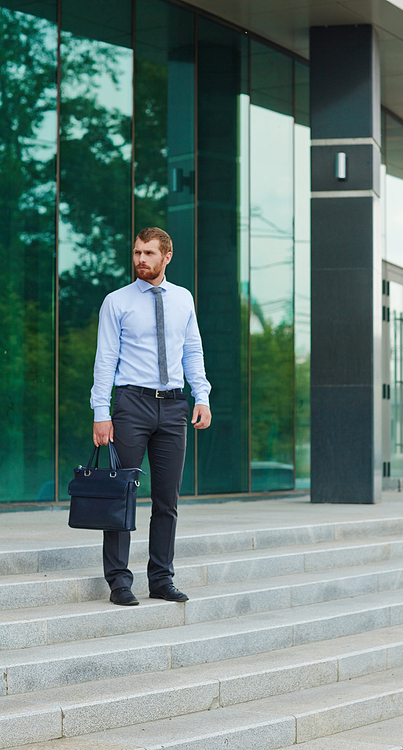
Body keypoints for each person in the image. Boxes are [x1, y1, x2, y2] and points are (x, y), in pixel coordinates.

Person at [91, 227, 211, 606]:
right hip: (131, 404)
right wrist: (101, 410)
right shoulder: (117, 301)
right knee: (120, 494)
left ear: (166, 257)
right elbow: (105, 359)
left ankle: (161, 578)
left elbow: (192, 351)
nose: (141, 259)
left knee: (167, 500)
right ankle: (119, 582)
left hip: (174, 406)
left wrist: (201, 395)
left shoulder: (183, 299)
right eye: (137, 252)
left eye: (149, 254)